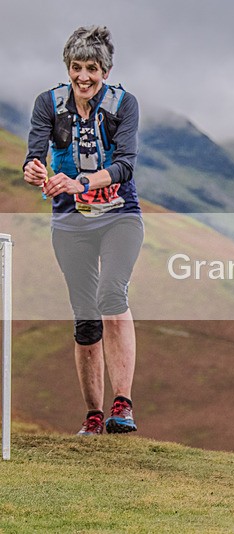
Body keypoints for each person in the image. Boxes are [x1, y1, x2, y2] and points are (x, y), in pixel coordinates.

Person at [23, 26, 143, 435]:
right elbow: (33, 157)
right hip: (69, 220)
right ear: (68, 69)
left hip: (119, 214)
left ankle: (122, 405)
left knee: (112, 293)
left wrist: (81, 182)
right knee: (85, 316)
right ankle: (94, 417)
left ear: (105, 70)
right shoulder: (48, 104)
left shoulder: (124, 105)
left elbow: (125, 164)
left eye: (91, 68)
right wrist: (34, 170)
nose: (83, 77)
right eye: (76, 67)